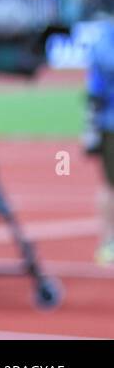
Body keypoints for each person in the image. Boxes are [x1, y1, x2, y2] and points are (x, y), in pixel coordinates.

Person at [84, 19, 114, 265]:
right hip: (110, 122)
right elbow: (102, 69)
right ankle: (108, 242)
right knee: (110, 183)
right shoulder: (106, 35)